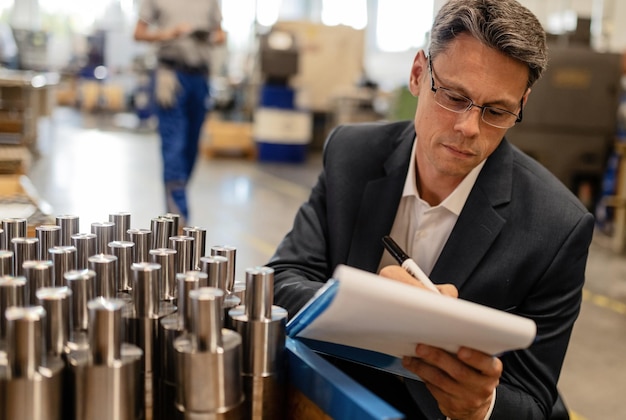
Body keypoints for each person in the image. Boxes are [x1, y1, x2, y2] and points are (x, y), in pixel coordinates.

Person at [268, 0, 595, 419]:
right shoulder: (351, 154)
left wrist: (480, 406)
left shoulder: (556, 227)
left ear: (522, 104)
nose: (468, 128)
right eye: (455, 97)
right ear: (419, 73)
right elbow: (279, 282)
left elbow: (533, 401)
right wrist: (371, 309)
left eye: (496, 111)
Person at [134, 0, 225, 226]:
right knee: (174, 146)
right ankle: (179, 222)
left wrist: (209, 37)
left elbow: (221, 35)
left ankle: (177, 205)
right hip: (171, 76)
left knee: (190, 150)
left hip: (200, 79)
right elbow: (138, 33)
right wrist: (169, 34)